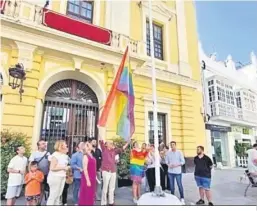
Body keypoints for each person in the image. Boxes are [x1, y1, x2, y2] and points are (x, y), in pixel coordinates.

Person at [100, 139, 130, 206]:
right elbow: (101, 140)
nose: (111, 144)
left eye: (112, 143)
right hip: (106, 171)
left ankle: (111, 202)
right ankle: (103, 203)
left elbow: (121, 149)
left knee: (112, 188)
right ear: (106, 144)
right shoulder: (104, 149)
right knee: (105, 188)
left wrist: (127, 143)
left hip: (113, 171)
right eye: (110, 143)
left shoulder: (114, 151)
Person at [46, 140, 69, 205]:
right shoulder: (55, 155)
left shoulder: (64, 155)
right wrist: (63, 167)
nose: (66, 145)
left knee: (58, 195)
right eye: (65, 144)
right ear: (60, 146)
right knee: (53, 196)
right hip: (55, 177)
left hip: (62, 176)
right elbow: (52, 168)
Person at [29, 140, 50, 205]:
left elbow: (50, 163)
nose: (45, 145)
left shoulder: (48, 153)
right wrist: (30, 173)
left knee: (42, 188)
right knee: (36, 188)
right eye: (43, 144)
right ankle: (34, 202)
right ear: (39, 146)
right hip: (36, 174)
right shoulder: (34, 153)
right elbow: (30, 163)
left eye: (45, 143)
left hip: (45, 174)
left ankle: (39, 203)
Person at [78, 140, 96, 206]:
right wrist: (88, 180)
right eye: (90, 144)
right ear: (87, 147)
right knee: (87, 194)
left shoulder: (91, 155)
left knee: (91, 194)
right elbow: (85, 169)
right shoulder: (85, 156)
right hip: (87, 178)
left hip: (92, 177)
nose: (91, 145)